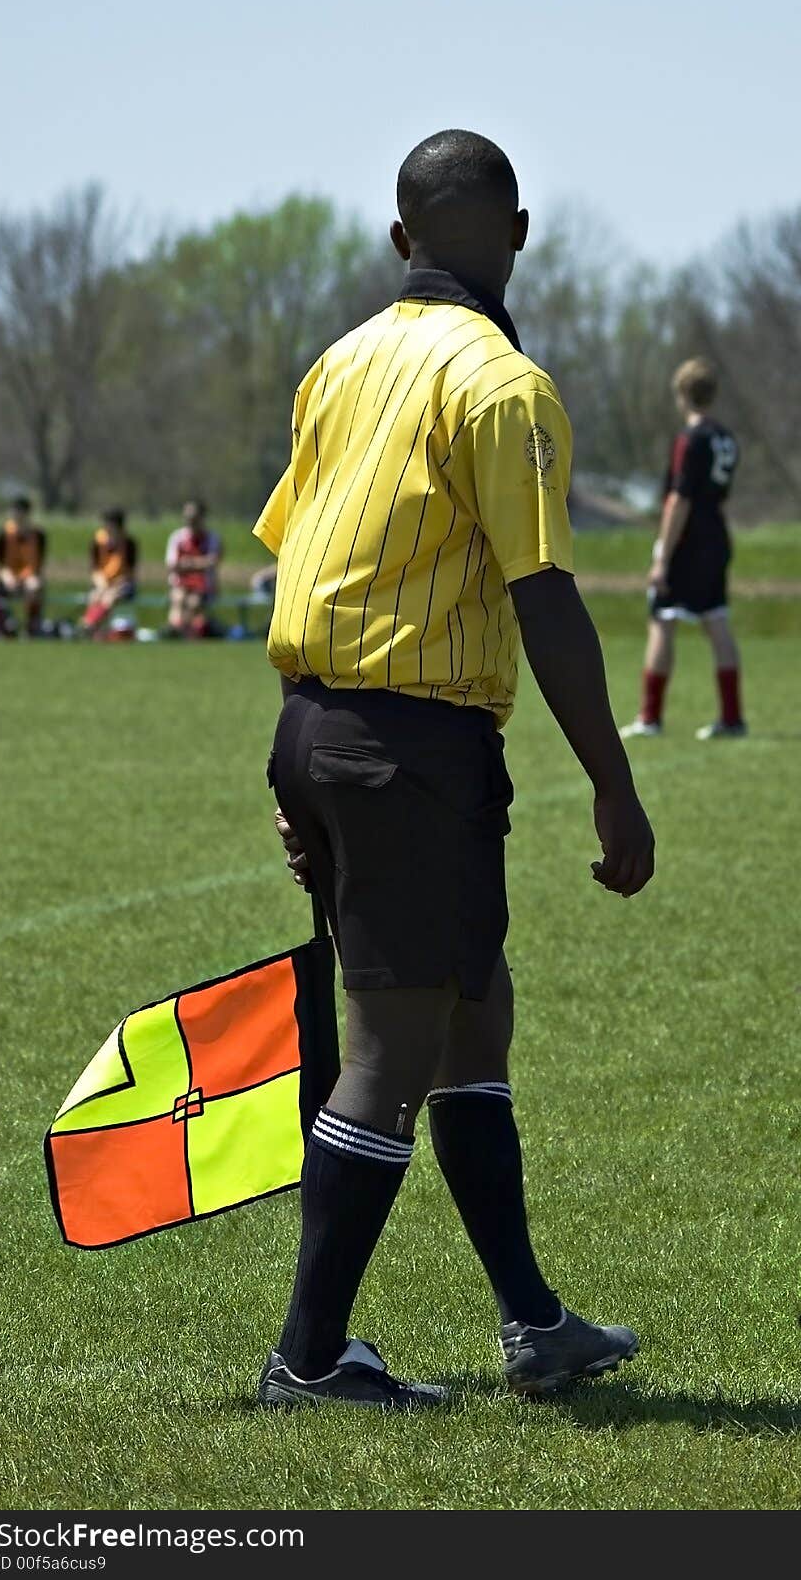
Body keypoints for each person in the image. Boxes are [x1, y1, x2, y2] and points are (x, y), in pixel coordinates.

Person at [252, 129, 655, 1411]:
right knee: (391, 1045)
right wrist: (612, 776)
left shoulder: (338, 362)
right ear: (519, 232)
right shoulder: (499, 383)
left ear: (397, 240)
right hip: (407, 744)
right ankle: (309, 1357)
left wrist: (300, 761)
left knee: (472, 1004)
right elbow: (542, 595)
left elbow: (302, 555)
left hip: (326, 724)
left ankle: (532, 1322)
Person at [621, 358, 746, 741]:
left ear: (682, 395)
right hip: (717, 535)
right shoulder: (725, 438)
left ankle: (650, 717)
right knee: (717, 618)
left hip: (689, 539)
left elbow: (680, 499)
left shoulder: (690, 439)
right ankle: (732, 718)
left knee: (661, 617)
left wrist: (662, 555)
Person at [0, 496, 46, 636]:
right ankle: (2, 626)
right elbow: (0, 563)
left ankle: (30, 629)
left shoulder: (38, 534)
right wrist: (7, 576)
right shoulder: (3, 533)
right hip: (8, 577)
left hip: (28, 577)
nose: (15, 514)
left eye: (19, 511)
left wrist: (27, 577)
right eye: (14, 511)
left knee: (34, 586)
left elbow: (39, 563)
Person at [165, 500, 222, 637]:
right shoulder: (177, 537)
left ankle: (183, 632)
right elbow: (172, 565)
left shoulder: (212, 538)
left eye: (194, 518)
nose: (190, 521)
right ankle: (176, 630)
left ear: (201, 518)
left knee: (194, 602)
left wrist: (188, 563)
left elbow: (212, 562)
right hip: (181, 583)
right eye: (187, 517)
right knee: (178, 599)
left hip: (204, 586)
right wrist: (199, 563)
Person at [80, 509, 138, 638]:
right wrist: (101, 584)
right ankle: (94, 631)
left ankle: (89, 624)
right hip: (103, 583)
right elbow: (94, 570)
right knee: (95, 596)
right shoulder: (97, 542)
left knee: (109, 598)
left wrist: (115, 584)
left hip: (124, 584)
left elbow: (131, 573)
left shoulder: (129, 544)